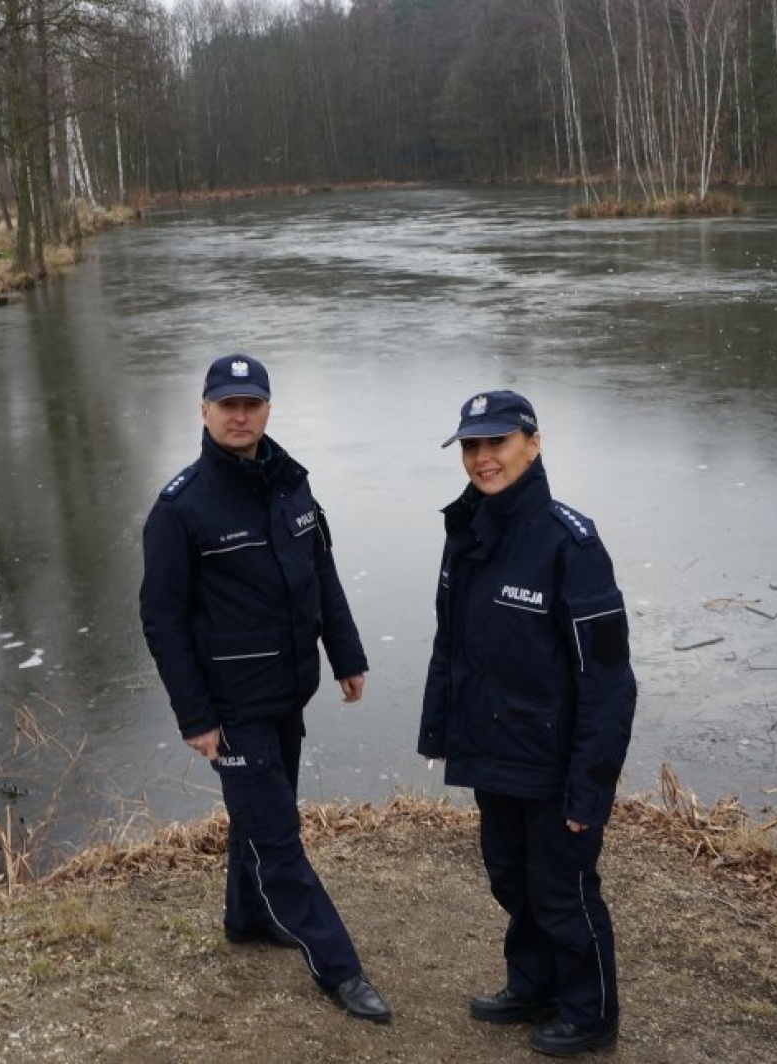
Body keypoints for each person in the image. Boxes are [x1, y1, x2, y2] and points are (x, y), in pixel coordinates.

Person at [139, 353, 391, 1024]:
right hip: (229, 705)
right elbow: (161, 619)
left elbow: (321, 575)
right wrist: (195, 716)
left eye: (252, 403)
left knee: (260, 821)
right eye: (228, 404)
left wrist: (347, 655)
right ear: (205, 411)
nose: (240, 414)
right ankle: (340, 969)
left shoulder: (291, 484)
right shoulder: (181, 508)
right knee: (280, 841)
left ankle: (246, 920)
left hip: (286, 690)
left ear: (268, 409)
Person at [418, 390, 636, 1057]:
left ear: (533, 445)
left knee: (562, 887)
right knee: (510, 877)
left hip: (553, 759)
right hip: (494, 746)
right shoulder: (469, 532)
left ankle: (591, 1012)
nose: (483, 459)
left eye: (497, 443)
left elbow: (608, 680)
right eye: (471, 446)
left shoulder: (570, 543)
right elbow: (451, 646)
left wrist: (589, 787)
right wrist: (443, 733)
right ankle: (533, 985)